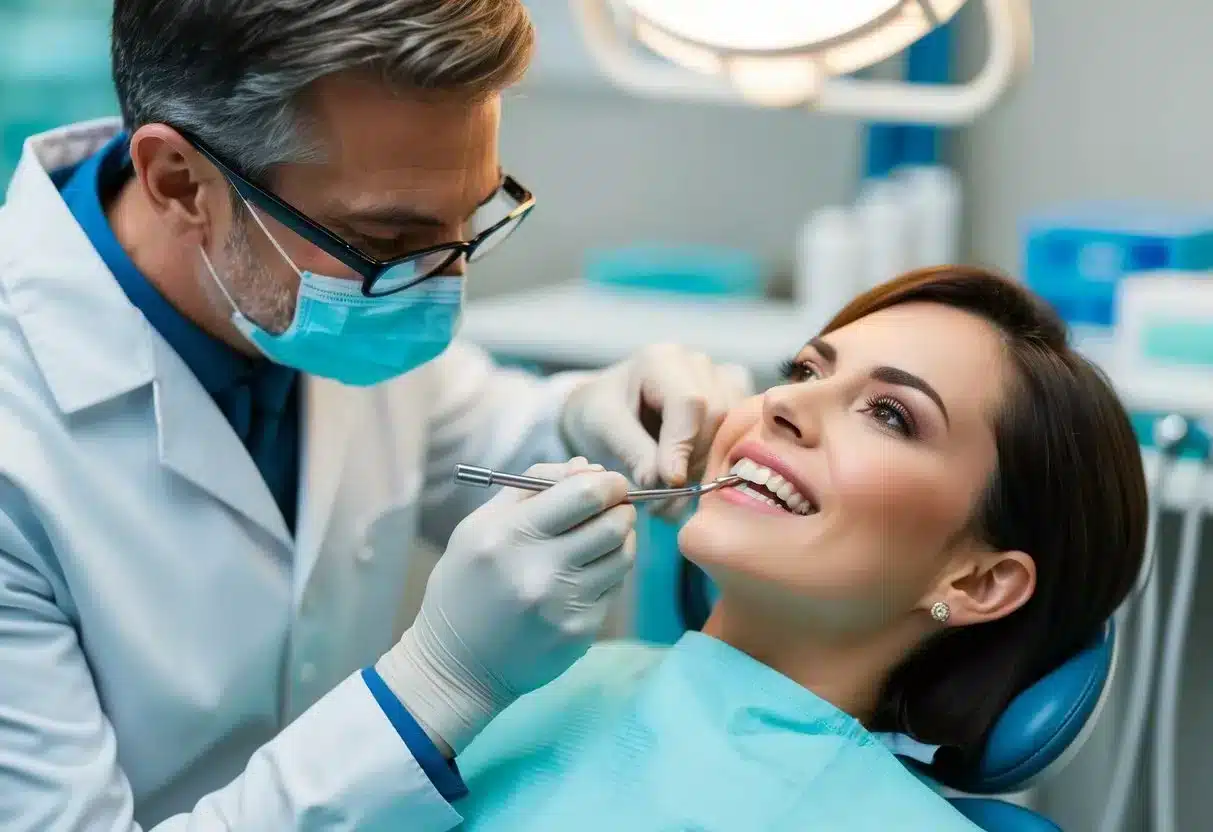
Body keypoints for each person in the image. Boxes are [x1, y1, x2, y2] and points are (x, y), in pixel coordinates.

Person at [0, 2, 753, 830]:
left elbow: (467, 431)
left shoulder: (304, 295)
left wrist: (586, 415)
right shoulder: (19, 438)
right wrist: (438, 686)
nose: (443, 288)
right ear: (180, 182)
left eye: (473, 218)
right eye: (391, 239)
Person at [448, 266, 1149, 831]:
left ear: (976, 583)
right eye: (806, 371)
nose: (782, 405)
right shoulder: (526, 676)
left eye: (888, 414)